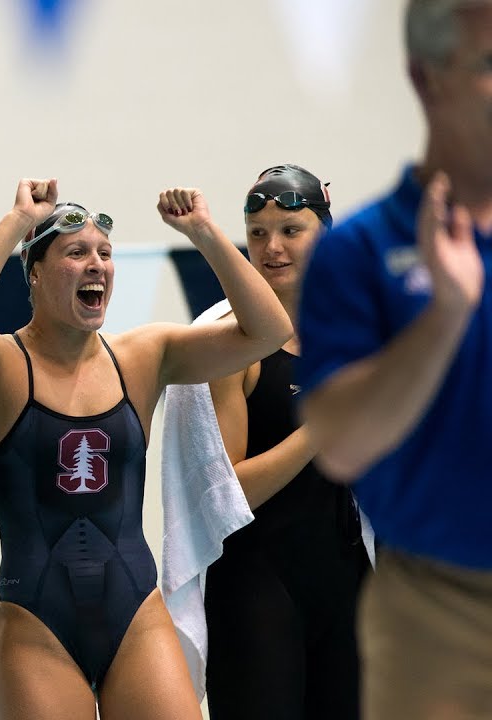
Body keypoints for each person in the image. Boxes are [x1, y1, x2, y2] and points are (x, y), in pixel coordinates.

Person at [0, 177, 291, 718]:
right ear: (35, 272)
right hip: (37, 628)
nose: (97, 264)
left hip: (136, 616)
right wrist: (17, 224)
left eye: (104, 253)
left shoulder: (143, 357)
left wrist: (205, 233)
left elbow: (268, 330)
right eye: (76, 253)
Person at [298, 2, 492, 716]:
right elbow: (341, 446)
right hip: (441, 609)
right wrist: (444, 315)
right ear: (426, 78)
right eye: (490, 66)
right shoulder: (359, 252)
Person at [196, 165, 370, 718]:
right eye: (257, 232)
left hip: (350, 580)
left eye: (290, 230)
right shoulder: (228, 343)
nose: (272, 247)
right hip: (257, 588)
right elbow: (227, 495)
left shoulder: (356, 331)